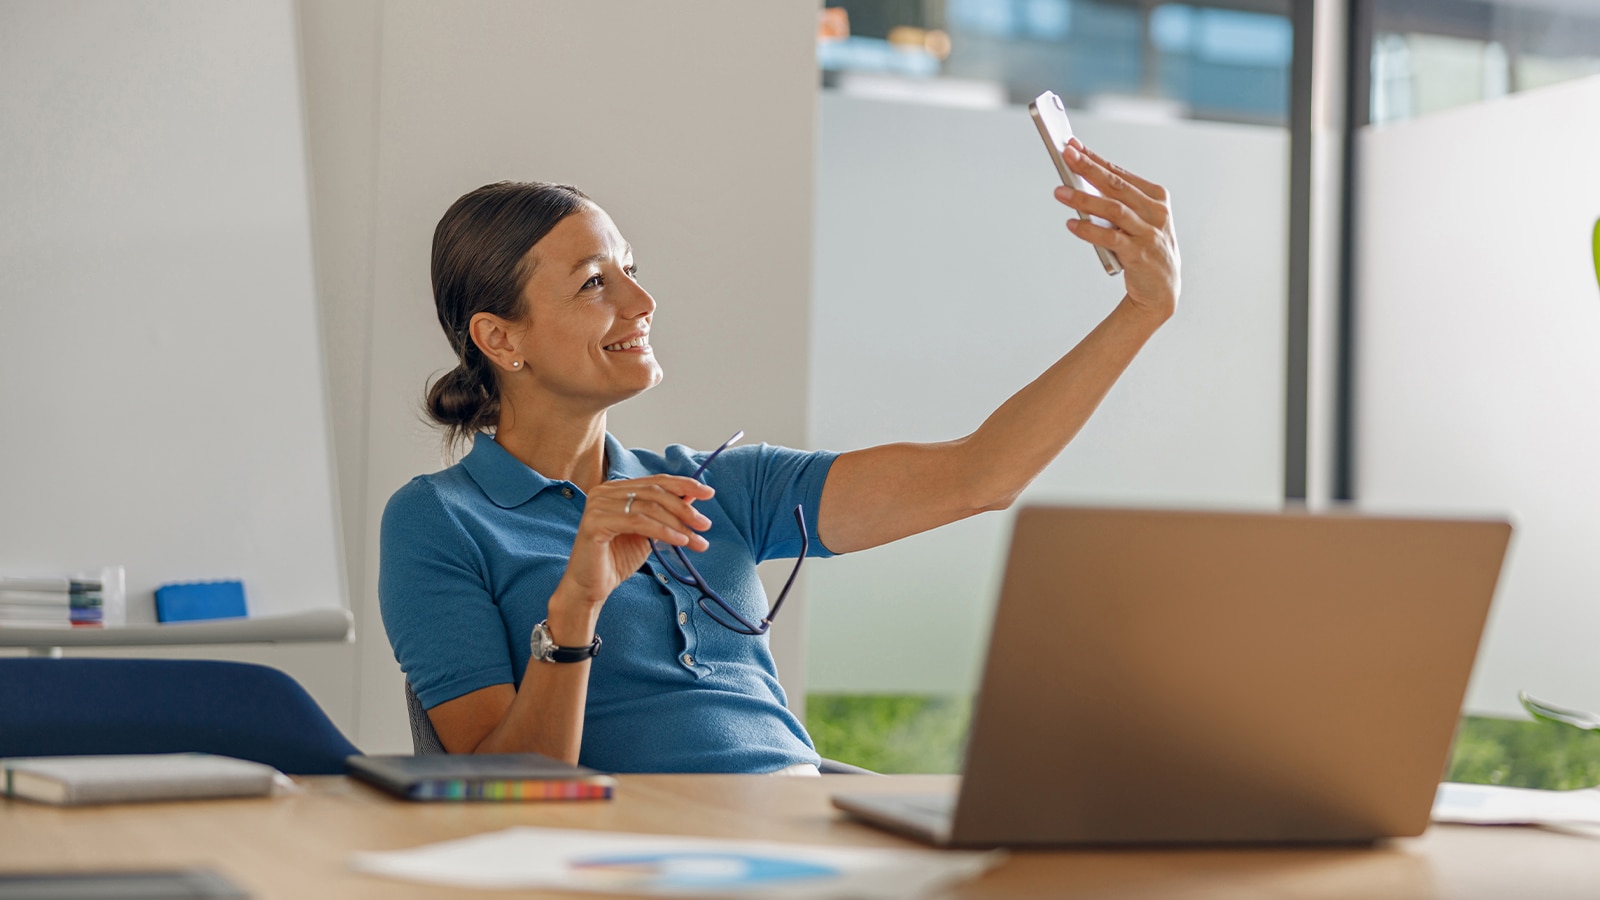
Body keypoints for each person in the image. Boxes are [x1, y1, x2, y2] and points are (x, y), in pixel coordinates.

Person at [379, 139, 1180, 774]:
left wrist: (1139, 314)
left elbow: (980, 477)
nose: (642, 303)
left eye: (632, 270)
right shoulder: (438, 520)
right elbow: (504, 790)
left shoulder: (719, 484)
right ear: (500, 338)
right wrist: (576, 607)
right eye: (595, 283)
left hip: (803, 833)